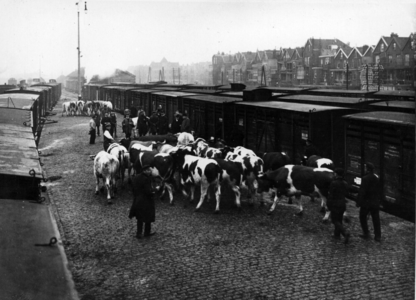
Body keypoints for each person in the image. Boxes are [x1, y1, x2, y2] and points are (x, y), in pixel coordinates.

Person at [128, 165, 159, 239]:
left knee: (140, 218)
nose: (150, 172)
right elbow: (148, 191)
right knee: (148, 217)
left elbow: (133, 188)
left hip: (138, 199)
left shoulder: (136, 177)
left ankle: (139, 233)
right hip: (146, 200)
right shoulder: (146, 179)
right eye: (149, 170)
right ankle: (147, 232)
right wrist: (155, 189)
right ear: (145, 170)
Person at [356, 162, 382, 242]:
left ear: (367, 169)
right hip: (375, 201)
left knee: (362, 217)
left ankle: (366, 232)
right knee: (376, 219)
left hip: (366, 202)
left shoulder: (365, 178)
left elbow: (362, 191)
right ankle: (378, 236)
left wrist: (358, 202)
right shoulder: (376, 177)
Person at [327, 168, 350, 244]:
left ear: (336, 174)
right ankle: (337, 235)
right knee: (339, 220)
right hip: (342, 204)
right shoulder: (345, 183)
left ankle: (344, 233)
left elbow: (331, 195)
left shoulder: (333, 183)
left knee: (334, 220)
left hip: (335, 204)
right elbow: (347, 194)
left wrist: (328, 205)